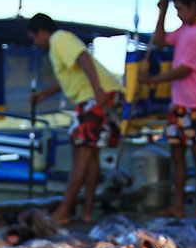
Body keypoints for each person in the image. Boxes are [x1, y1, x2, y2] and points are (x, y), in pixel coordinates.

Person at [27, 13, 124, 224]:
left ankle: (65, 210)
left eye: (35, 38)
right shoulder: (61, 43)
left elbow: (83, 57)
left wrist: (97, 89)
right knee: (91, 155)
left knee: (81, 152)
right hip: (103, 95)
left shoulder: (59, 39)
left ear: (41, 32)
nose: (37, 43)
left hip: (94, 97)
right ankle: (86, 211)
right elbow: (71, 77)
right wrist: (44, 94)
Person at [138, 0, 196, 217]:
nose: (178, 15)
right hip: (180, 103)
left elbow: (183, 70)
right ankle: (178, 204)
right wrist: (161, 12)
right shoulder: (184, 30)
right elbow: (160, 40)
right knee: (177, 153)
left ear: (193, 7)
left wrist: (152, 80)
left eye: (180, 10)